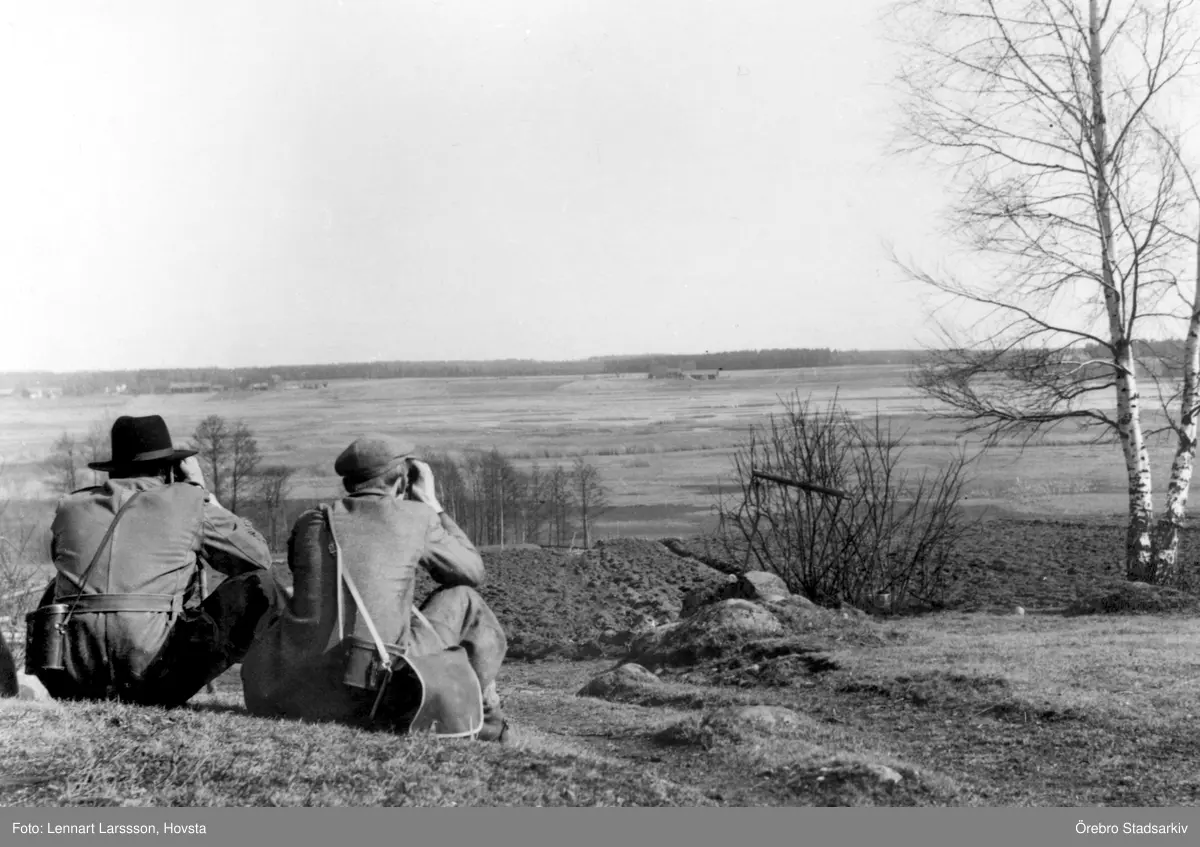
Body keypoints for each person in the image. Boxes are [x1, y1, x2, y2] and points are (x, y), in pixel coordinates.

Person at [241, 434, 511, 742]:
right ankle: (485, 723)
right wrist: (433, 505)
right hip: (371, 694)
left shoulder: (310, 520)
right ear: (404, 479)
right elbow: (472, 572)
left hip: (294, 690)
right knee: (464, 599)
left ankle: (479, 721)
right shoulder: (417, 517)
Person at [27, 414, 279, 706]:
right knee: (262, 586)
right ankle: (271, 696)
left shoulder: (70, 506)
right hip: (153, 681)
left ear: (114, 470)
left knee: (58, 586)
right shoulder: (189, 502)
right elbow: (258, 557)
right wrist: (202, 493)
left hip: (71, 680)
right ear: (169, 469)